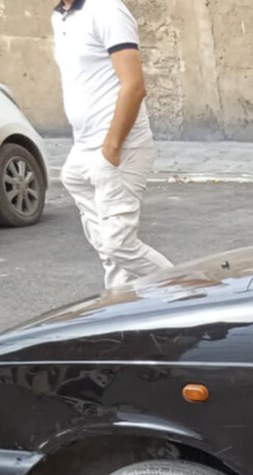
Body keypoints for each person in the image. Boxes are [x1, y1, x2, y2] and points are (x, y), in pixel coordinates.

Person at [53, 0, 172, 289]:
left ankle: (195, 297)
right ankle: (122, 308)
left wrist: (111, 147)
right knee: (109, 250)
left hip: (121, 147)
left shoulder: (106, 9)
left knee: (118, 245)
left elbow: (134, 86)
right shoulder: (60, 17)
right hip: (85, 147)